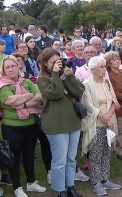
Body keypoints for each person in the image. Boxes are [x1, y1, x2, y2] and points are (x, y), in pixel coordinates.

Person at [37, 48, 85, 197]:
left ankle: (70, 186)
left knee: (71, 158)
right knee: (59, 161)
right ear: (45, 63)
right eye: (53, 63)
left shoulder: (65, 75)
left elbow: (78, 91)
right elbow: (55, 93)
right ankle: (60, 190)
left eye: (58, 61)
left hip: (72, 122)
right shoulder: (42, 79)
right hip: (56, 125)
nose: (57, 65)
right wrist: (57, 75)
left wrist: (70, 77)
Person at [0, 55, 46, 197]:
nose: (11, 69)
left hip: (31, 125)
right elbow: (10, 100)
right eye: (7, 67)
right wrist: (30, 95)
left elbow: (40, 97)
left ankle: (31, 183)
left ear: (18, 66)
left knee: (28, 155)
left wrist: (24, 102)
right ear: (3, 70)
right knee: (14, 158)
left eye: (13, 66)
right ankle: (17, 187)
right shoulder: (2, 85)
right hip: (12, 127)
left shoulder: (26, 82)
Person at [81, 56, 121, 195]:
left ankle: (105, 179)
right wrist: (105, 119)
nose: (105, 69)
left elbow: (113, 101)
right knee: (96, 154)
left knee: (107, 152)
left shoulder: (105, 83)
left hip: (109, 123)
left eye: (105, 66)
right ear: (93, 69)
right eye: (102, 67)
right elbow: (89, 105)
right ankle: (96, 182)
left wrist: (109, 116)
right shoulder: (87, 83)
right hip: (95, 124)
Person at [103, 51, 122, 161]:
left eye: (117, 59)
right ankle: (119, 150)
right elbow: (113, 92)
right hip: (118, 106)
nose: (117, 61)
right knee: (120, 130)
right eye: (114, 60)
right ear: (109, 63)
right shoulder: (109, 75)